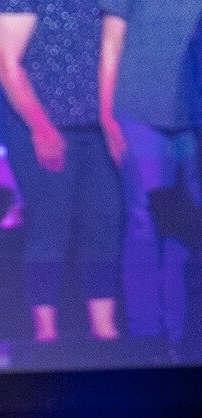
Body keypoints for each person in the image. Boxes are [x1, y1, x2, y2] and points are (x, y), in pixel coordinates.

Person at [0, 0, 125, 344]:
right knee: (50, 224)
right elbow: (5, 61)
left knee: (104, 221)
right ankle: (45, 333)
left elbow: (114, 46)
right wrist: (41, 127)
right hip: (41, 126)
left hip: (96, 127)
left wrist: (111, 118)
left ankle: (104, 329)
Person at [98, 0, 202, 356]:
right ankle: (147, 336)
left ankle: (181, 335)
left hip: (191, 115)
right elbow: (111, 40)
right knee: (143, 222)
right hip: (138, 109)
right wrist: (108, 114)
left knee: (187, 230)